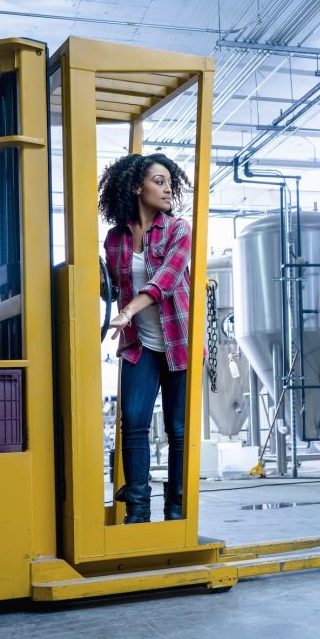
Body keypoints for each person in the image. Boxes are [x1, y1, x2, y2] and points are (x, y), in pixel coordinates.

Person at [101, 153, 193, 524]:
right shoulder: (115, 238)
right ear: (137, 186)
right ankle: (138, 511)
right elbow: (110, 289)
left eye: (170, 181)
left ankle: (177, 509)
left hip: (179, 341)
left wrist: (126, 312)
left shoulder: (178, 229)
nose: (168, 187)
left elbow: (165, 282)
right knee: (133, 422)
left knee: (178, 428)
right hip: (140, 345)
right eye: (159, 181)